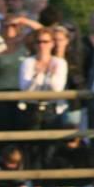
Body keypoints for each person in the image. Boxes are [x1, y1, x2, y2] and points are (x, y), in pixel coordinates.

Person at [19, 27, 68, 169]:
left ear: (52, 43)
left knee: (50, 149)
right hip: (31, 108)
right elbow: (25, 88)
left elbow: (57, 88)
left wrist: (48, 76)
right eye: (38, 42)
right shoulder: (27, 62)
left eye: (46, 42)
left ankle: (48, 184)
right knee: (31, 148)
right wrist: (38, 75)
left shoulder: (59, 63)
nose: (42, 45)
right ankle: (32, 183)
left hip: (51, 109)